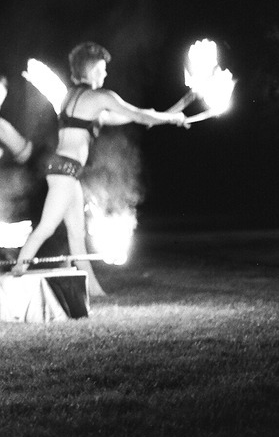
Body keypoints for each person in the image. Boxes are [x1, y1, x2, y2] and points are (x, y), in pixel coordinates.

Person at [11, 42, 188, 295]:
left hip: (66, 172)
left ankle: (93, 289)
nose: (105, 74)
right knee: (47, 227)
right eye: (103, 69)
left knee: (76, 233)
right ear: (92, 69)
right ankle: (17, 273)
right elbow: (137, 115)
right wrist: (169, 118)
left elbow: (127, 116)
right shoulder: (102, 97)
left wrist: (167, 115)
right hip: (65, 172)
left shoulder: (73, 97)